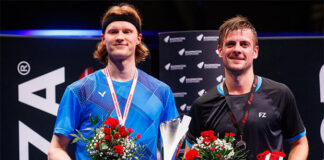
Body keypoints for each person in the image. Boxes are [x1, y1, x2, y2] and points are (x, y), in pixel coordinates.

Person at [48, 3, 179, 160]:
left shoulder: (161, 92)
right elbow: (56, 148)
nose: (120, 37)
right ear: (103, 39)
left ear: (138, 39)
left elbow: (169, 151)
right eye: (113, 31)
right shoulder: (80, 90)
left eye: (127, 31)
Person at [185, 16, 308, 159]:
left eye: (244, 44)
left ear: (255, 51)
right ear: (220, 50)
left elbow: (300, 143)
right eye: (230, 44)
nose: (237, 49)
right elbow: (190, 153)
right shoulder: (203, 104)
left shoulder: (280, 94)